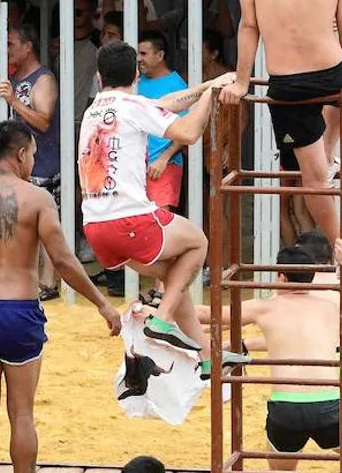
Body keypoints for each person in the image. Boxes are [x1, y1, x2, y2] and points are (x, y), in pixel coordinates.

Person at [0, 119, 121, 473]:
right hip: (20, 312)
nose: (33, 160)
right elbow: (63, 260)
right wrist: (102, 302)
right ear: (20, 154)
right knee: (22, 414)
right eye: (32, 153)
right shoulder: (38, 200)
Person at [81, 40, 238, 376]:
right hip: (128, 218)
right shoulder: (132, 106)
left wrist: (208, 85)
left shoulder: (97, 109)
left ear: (99, 75)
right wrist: (212, 95)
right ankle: (162, 320)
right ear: (136, 74)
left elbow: (165, 103)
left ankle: (209, 358)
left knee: (173, 277)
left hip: (95, 227)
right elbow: (189, 132)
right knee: (198, 242)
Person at [220, 0, 342, 245]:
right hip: (331, 74)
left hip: (287, 84)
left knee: (313, 178)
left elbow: (248, 26)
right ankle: (331, 138)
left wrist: (241, 81)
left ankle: (341, 246)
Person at [197, 245, 342, 471]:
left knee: (281, 469)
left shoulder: (264, 308)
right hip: (329, 405)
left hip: (285, 408)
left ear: (280, 275)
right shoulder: (334, 306)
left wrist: (161, 304)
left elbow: (209, 316)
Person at [0, 24, 61, 300]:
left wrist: (14, 102)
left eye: (11, 44)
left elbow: (44, 121)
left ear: (28, 46)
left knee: (46, 224)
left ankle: (49, 283)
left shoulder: (43, 79)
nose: (6, 50)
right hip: (20, 166)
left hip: (43, 164)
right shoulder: (13, 78)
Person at [135, 30, 189, 212]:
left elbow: (185, 129)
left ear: (160, 55)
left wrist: (163, 159)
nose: (138, 59)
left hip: (164, 165)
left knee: (162, 222)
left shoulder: (177, 85)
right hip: (136, 166)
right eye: (137, 54)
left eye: (143, 54)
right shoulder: (136, 82)